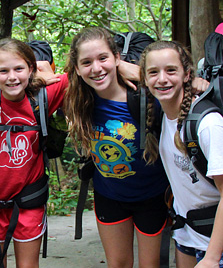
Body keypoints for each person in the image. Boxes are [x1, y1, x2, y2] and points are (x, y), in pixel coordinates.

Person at [140, 40, 223, 268]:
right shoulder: (163, 116)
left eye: (170, 70)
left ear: (187, 75)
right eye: (153, 72)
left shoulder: (208, 125)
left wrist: (212, 258)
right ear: (144, 79)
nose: (162, 79)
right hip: (188, 236)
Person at [64, 27, 169, 268]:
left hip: (151, 195)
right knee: (118, 264)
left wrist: (140, 72)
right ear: (77, 69)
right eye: (86, 62)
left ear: (117, 58)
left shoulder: (145, 95)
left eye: (103, 58)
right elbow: (28, 75)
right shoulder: (76, 97)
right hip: (109, 195)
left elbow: (187, 83)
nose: (97, 68)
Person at [0, 38, 68, 268]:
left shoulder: (43, 96)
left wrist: (45, 69)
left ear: (31, 69)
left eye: (19, 69)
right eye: (3, 70)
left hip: (28, 202)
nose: (12, 77)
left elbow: (82, 71)